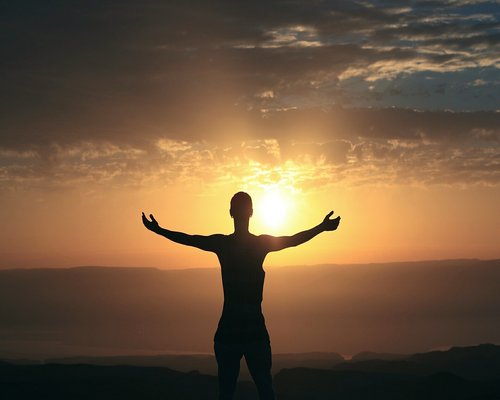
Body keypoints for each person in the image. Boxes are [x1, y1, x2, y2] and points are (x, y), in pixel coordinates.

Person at [142, 191, 341, 400]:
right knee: (265, 390)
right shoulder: (259, 245)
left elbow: (190, 240)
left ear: (230, 213)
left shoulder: (223, 244)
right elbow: (292, 240)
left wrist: (159, 230)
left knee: (228, 392)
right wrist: (321, 228)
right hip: (253, 329)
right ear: (252, 213)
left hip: (229, 330)